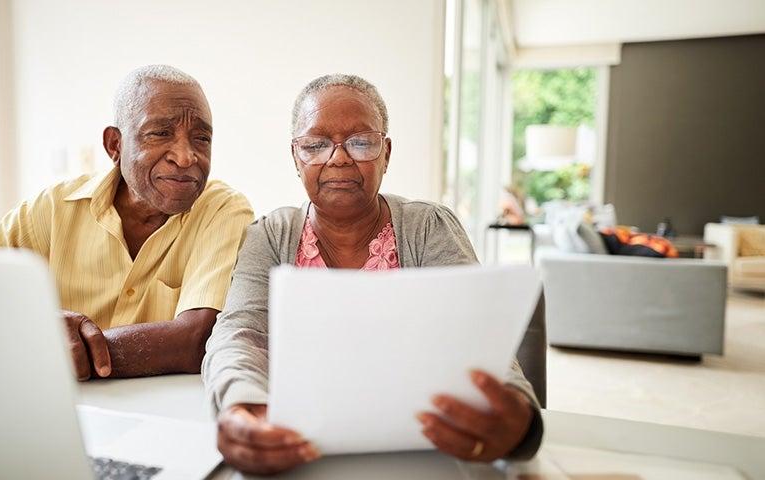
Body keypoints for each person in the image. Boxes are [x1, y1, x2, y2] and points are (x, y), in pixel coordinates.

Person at [202, 74, 542, 475]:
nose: (340, 158)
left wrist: (520, 419)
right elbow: (239, 334)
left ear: (386, 152)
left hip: (425, 456)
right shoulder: (271, 235)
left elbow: (480, 342)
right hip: (301, 454)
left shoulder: (429, 227)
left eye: (361, 142)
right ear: (296, 158)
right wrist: (240, 406)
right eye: (316, 145)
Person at [0, 65, 253, 381]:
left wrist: (60, 350)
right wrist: (39, 331)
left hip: (162, 417)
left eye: (201, 138)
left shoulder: (224, 210)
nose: (186, 156)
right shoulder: (50, 210)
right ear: (115, 145)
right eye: (161, 133)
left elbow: (197, 340)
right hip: (51, 409)